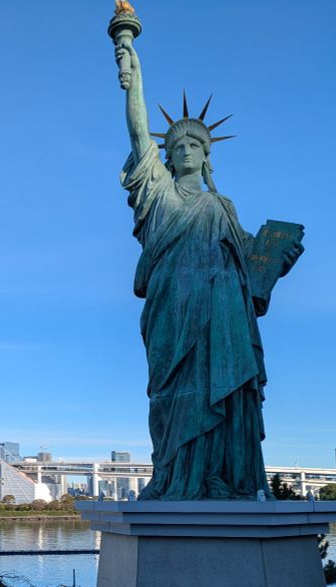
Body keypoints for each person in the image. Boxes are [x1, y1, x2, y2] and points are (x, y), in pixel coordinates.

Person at [114, 38, 300, 500]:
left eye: (195, 144)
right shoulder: (156, 193)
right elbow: (140, 135)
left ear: (206, 154)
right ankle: (173, 474)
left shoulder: (222, 205)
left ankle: (224, 476)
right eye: (177, 146)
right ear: (168, 156)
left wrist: (280, 260)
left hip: (221, 312)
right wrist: (131, 70)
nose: (185, 151)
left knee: (225, 389)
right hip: (171, 308)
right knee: (169, 392)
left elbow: (251, 263)